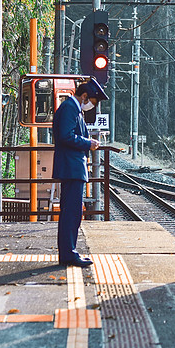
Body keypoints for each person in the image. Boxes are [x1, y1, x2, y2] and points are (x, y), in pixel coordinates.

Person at [52, 78, 109, 267]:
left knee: (73, 212)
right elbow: (66, 135)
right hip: (71, 167)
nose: (91, 106)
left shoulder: (72, 108)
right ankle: (69, 253)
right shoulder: (70, 108)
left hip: (73, 168)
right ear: (85, 96)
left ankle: (69, 252)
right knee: (71, 212)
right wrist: (88, 143)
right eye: (92, 102)